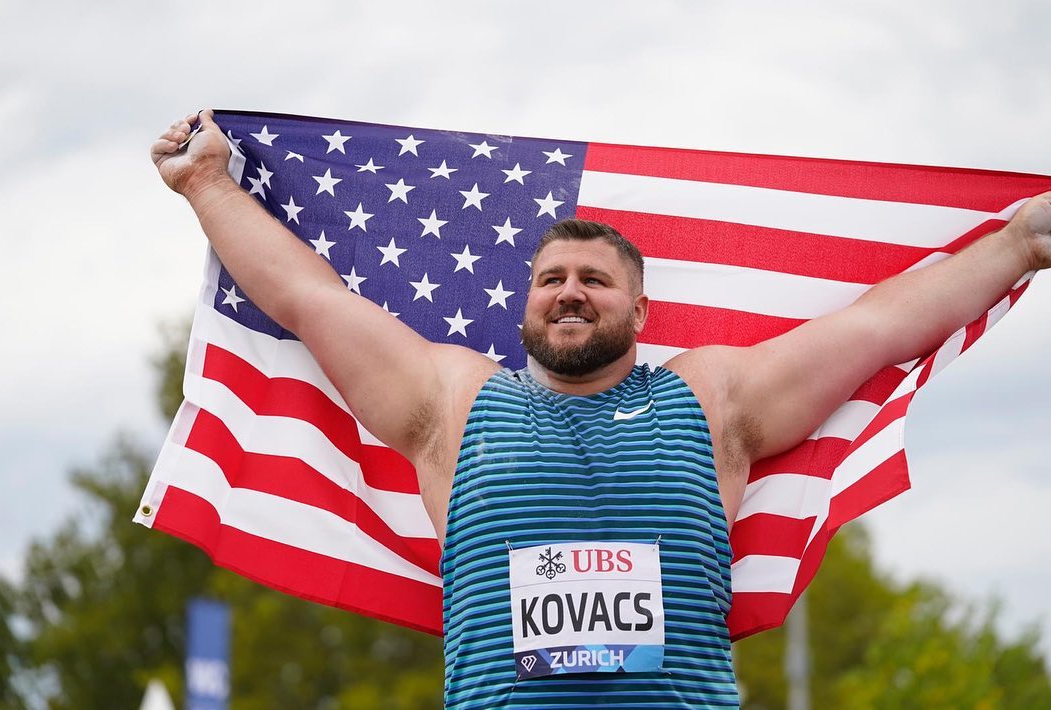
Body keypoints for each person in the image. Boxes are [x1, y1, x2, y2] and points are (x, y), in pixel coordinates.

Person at [152, 110, 1050, 708]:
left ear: (641, 312)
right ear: (525, 304)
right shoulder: (453, 404)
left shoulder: (713, 401)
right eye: (551, 280)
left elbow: (878, 325)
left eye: (595, 281)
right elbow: (310, 301)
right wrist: (207, 186)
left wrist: (1017, 241)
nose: (570, 294)